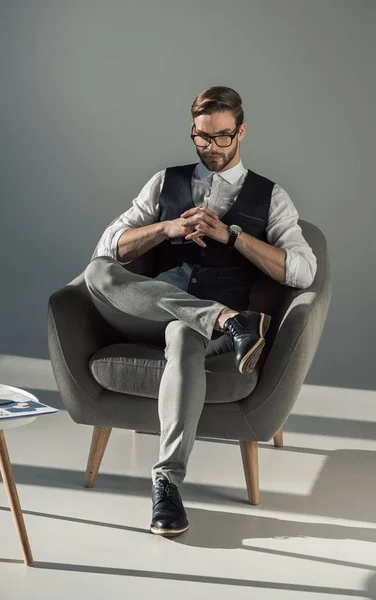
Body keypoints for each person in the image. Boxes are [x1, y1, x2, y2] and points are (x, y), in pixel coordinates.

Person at [84, 86, 317, 537]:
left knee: (183, 335)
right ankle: (227, 319)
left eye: (222, 138)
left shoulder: (271, 197)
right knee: (97, 272)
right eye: (201, 138)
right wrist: (166, 227)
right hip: (153, 308)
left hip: (197, 335)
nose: (210, 149)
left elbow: (304, 271)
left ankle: (166, 483)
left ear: (241, 132)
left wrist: (233, 237)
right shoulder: (163, 182)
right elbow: (108, 246)